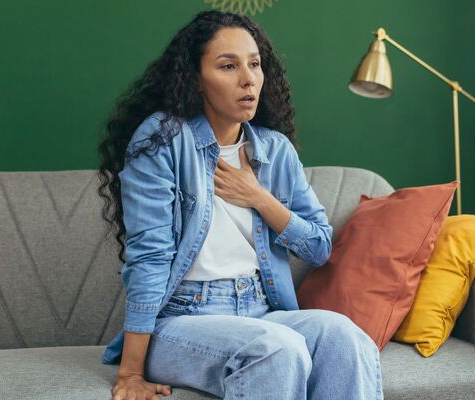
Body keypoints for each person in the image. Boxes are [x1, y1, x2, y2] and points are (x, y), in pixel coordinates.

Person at [96, 10, 382, 400]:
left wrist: (259, 198)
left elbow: (318, 246)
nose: (248, 78)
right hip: (182, 320)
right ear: (196, 80)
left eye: (254, 64)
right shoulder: (164, 140)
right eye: (228, 66)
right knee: (278, 348)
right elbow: (150, 257)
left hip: (261, 310)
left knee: (347, 338)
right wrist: (130, 372)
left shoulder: (275, 150)